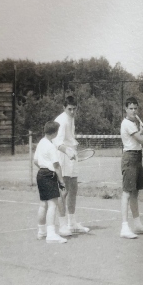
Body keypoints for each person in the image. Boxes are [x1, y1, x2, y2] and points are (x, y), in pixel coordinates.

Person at [119, 97, 143, 239]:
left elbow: (138, 137)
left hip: (137, 156)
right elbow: (140, 139)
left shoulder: (133, 123)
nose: (134, 111)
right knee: (127, 192)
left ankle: (137, 225)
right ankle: (124, 227)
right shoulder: (127, 123)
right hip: (130, 158)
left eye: (136, 108)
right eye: (131, 108)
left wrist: (141, 132)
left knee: (135, 193)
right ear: (126, 109)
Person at [53, 96, 90, 235]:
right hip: (63, 156)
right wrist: (68, 151)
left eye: (75, 109)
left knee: (73, 188)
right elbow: (57, 143)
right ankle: (63, 226)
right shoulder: (61, 121)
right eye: (70, 109)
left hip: (71, 155)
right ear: (64, 108)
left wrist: (71, 151)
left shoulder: (72, 118)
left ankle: (72, 223)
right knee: (63, 191)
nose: (73, 111)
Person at [34, 121, 69, 243]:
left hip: (40, 174)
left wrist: (44, 168)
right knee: (52, 205)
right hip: (49, 175)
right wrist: (62, 182)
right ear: (54, 132)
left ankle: (41, 232)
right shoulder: (51, 146)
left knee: (43, 204)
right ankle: (51, 234)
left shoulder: (41, 143)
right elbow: (57, 166)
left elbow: (35, 161)